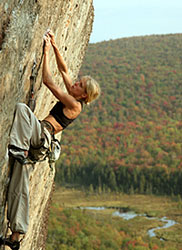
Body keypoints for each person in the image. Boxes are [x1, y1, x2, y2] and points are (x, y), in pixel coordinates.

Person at [0, 30, 100, 250]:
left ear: (83, 95)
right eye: (78, 82)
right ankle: (16, 235)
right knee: (19, 185)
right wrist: (55, 45)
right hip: (40, 143)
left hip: (41, 137)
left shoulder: (74, 105)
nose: (75, 84)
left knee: (22, 111)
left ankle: (18, 147)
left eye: (79, 85)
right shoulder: (75, 96)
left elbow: (48, 81)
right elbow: (64, 70)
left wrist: (45, 52)